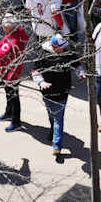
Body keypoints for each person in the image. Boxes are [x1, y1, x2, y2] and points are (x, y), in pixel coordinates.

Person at [34, 33, 75, 163]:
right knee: (51, 115)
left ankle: (57, 146)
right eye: (62, 47)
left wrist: (81, 72)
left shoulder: (67, 53)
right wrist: (41, 82)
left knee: (58, 119)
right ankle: (52, 129)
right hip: (47, 94)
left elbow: (77, 63)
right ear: (54, 47)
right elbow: (35, 71)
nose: (65, 49)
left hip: (62, 92)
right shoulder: (43, 54)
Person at [0, 17, 28, 131]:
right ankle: (9, 113)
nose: (2, 28)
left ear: (8, 27)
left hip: (11, 73)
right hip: (7, 71)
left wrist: (6, 75)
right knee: (9, 95)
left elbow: (2, 54)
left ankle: (16, 121)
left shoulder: (15, 40)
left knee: (14, 97)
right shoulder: (13, 34)